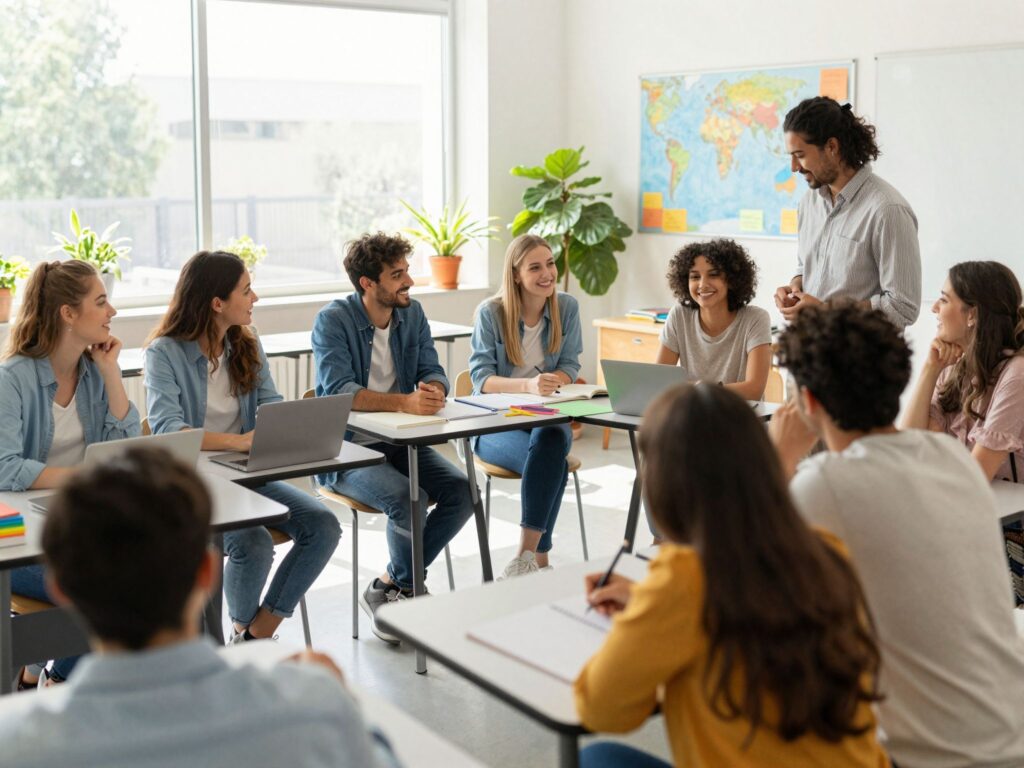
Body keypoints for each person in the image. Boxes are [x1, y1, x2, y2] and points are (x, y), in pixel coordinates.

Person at [0, 447, 399, 768]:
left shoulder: (16, 745)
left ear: (61, 588)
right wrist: (343, 704)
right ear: (207, 572)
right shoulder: (309, 705)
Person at [574, 384, 889, 768]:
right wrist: (647, 600)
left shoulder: (683, 577)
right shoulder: (826, 551)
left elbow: (601, 710)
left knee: (596, 759)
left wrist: (652, 610)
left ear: (665, 486)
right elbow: (745, 606)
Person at [771, 302, 1024, 767]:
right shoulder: (950, 460)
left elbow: (738, 583)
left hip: (925, 759)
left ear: (807, 402)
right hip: (1010, 738)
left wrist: (779, 460)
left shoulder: (825, 483)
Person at [145, 251, 340, 643]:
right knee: (253, 543)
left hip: (248, 474)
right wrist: (238, 441)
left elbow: (271, 405)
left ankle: (255, 633)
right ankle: (242, 630)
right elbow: (169, 429)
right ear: (217, 303)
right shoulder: (163, 352)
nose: (256, 298)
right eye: (247, 290)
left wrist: (293, 428)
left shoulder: (247, 343)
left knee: (323, 526)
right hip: (193, 484)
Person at [312, 232, 474, 643]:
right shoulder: (333, 321)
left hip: (400, 443)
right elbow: (337, 392)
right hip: (342, 449)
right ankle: (409, 592)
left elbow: (431, 366)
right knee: (407, 498)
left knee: (463, 492)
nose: (409, 282)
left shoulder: (412, 314)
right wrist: (403, 403)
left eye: (406, 271)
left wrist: (435, 387)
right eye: (397, 274)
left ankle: (392, 585)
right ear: (368, 283)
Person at [0, 259, 139, 687]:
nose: (111, 311)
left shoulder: (93, 372)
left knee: (145, 573)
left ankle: (46, 678)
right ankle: (60, 685)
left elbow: (125, 446)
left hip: (79, 525)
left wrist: (112, 373)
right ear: (68, 314)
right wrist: (83, 479)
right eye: (101, 302)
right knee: (102, 590)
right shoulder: (12, 379)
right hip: (20, 539)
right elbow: (6, 468)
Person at [468, 234, 581, 577]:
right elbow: (481, 379)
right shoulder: (491, 312)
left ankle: (524, 558)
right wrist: (528, 385)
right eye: (535, 267)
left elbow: (571, 365)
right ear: (516, 274)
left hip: (544, 416)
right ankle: (536, 556)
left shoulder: (567, 307)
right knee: (553, 463)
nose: (547, 273)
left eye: (550, 263)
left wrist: (555, 380)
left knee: (551, 440)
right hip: (494, 422)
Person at [775, 97, 921, 329]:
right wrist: (795, 287)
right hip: (810, 354)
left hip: (861, 362)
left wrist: (824, 311)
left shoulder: (888, 210)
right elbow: (806, 266)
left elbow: (902, 308)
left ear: (832, 147)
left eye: (800, 155)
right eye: (791, 156)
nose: (794, 167)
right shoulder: (808, 203)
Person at [901, 261, 1024, 481]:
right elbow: (909, 449)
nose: (934, 308)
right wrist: (931, 369)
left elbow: (976, 476)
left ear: (972, 315)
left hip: (1007, 512)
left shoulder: (1017, 374)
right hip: (967, 502)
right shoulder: (955, 369)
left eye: (944, 299)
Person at [656, 238, 771, 400]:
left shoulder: (756, 319)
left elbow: (753, 389)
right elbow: (659, 381)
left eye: (714, 275)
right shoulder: (679, 315)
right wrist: (702, 390)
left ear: (731, 280)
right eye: (695, 277)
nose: (703, 284)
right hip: (693, 414)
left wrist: (699, 389)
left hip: (739, 418)